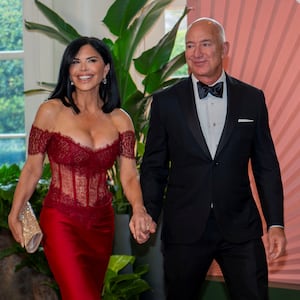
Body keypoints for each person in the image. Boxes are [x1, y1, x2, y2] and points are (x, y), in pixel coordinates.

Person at [140, 17, 287, 300]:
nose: (196, 53)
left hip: (240, 227)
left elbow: (266, 166)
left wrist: (275, 224)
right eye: (190, 45)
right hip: (184, 228)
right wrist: (148, 212)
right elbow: (154, 167)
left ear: (224, 48)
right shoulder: (165, 102)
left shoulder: (252, 99)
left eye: (205, 44)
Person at [8, 36, 153, 300]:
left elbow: (129, 175)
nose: (83, 68)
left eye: (91, 61)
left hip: (101, 224)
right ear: (68, 69)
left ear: (106, 69)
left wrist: (139, 209)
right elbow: (32, 168)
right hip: (61, 221)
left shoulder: (121, 120)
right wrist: (15, 212)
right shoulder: (51, 111)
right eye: (75, 62)